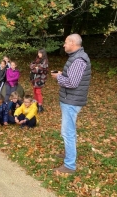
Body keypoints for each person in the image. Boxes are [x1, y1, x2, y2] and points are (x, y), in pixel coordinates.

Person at [51, 34, 91, 174]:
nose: (64, 45)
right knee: (69, 131)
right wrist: (63, 74)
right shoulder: (76, 57)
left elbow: (72, 83)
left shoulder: (78, 60)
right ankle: (69, 154)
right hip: (71, 99)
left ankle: (69, 165)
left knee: (68, 132)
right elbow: (73, 77)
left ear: (73, 43)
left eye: (66, 42)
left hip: (72, 101)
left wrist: (58, 77)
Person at [30, 49, 48, 113]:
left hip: (40, 79)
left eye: (40, 53)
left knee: (38, 92)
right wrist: (35, 67)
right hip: (34, 78)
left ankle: (40, 106)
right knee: (34, 91)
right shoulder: (37, 59)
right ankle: (36, 104)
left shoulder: (45, 61)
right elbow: (31, 65)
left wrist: (36, 68)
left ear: (43, 54)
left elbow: (40, 70)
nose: (38, 54)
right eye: (38, 53)